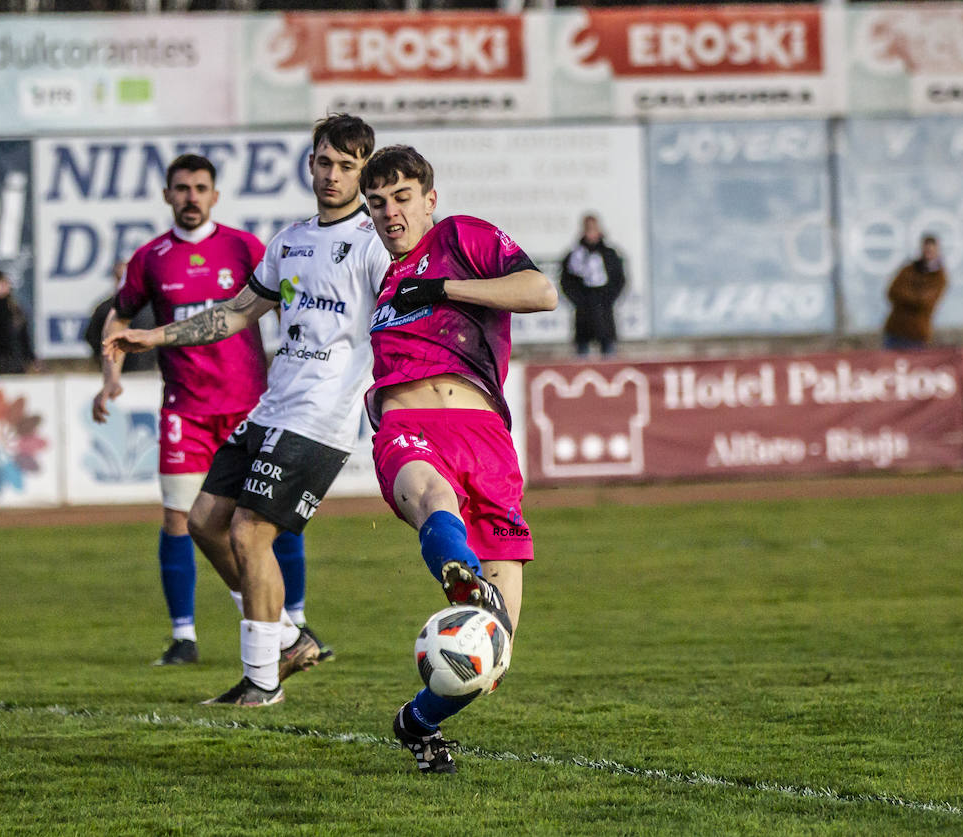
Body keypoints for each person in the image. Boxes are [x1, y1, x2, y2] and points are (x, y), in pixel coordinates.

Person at [106, 115, 389, 705]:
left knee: (249, 531)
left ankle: (262, 682)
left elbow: (398, 330)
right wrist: (153, 338)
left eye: (346, 166)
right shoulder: (288, 241)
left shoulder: (375, 246)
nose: (332, 175)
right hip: (271, 408)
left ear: (365, 170)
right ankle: (286, 635)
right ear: (309, 164)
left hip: (321, 417)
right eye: (323, 162)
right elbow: (235, 313)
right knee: (203, 521)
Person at [356, 144, 556, 773]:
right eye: (378, 202)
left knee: (495, 652)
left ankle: (416, 722)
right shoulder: (382, 281)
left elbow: (541, 291)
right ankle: (460, 579)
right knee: (434, 499)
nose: (390, 211)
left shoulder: (459, 238)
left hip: (486, 439)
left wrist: (441, 286)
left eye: (401, 197)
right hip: (408, 426)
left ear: (430, 199)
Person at [93, 153, 318, 668]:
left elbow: (287, 306)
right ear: (168, 195)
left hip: (251, 407)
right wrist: (110, 381)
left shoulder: (244, 247)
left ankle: (297, 623)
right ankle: (184, 637)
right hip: (186, 411)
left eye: (200, 187)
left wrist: (298, 362)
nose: (191, 196)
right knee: (179, 520)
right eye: (181, 188)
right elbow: (119, 317)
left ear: (215, 194)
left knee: (269, 518)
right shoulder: (151, 257)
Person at [559, 213, 625, 357]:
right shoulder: (575, 255)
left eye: (593, 229)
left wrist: (608, 298)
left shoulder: (609, 254)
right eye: (588, 229)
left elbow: (619, 279)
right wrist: (579, 300)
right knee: (583, 351)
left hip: (604, 310)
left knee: (608, 351)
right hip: (584, 312)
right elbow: (566, 282)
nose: (591, 233)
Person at [86, 260, 157, 373]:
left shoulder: (151, 307)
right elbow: (92, 337)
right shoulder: (105, 308)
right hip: (120, 372)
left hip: (145, 371)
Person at [882, 234, 947, 350]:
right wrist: (916, 296)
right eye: (926, 249)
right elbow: (892, 292)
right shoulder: (908, 270)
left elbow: (926, 302)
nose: (928, 253)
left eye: (931, 250)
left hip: (917, 335)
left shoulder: (939, 277)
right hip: (894, 330)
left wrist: (905, 297)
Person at [0, 269, 41, 375]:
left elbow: (24, 338)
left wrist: (31, 358)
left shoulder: (16, 309)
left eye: (4, 282)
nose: (2, 286)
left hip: (16, 362)